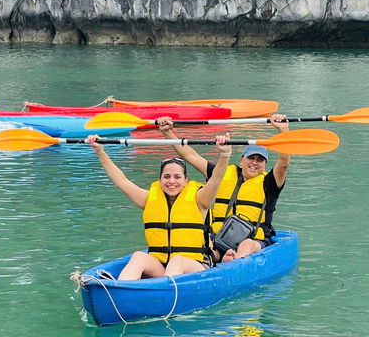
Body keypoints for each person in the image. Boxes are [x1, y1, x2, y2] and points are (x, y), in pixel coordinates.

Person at [86, 133, 231, 280]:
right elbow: (121, 181)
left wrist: (225, 154)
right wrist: (100, 152)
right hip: (162, 266)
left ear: (186, 180)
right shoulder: (149, 199)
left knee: (177, 261)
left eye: (177, 177)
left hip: (195, 265)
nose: (171, 181)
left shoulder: (201, 199)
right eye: (166, 177)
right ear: (160, 180)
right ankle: (119, 289)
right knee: (139, 257)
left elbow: (216, 179)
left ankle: (162, 292)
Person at [157, 114, 290, 262]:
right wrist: (167, 132)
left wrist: (283, 130)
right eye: (251, 158)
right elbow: (190, 156)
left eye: (260, 160)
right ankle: (206, 264)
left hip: (254, 241)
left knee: (246, 244)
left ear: (265, 164)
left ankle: (232, 267)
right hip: (219, 239)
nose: (254, 163)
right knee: (199, 240)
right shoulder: (221, 174)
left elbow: (283, 163)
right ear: (241, 160)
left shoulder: (270, 182)